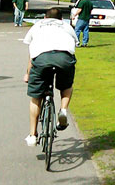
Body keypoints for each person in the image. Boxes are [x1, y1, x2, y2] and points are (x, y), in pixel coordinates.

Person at [23, 8, 79, 146]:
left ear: (44, 17)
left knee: (36, 96)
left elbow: (32, 54)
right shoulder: (67, 26)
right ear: (61, 19)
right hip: (64, 58)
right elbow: (74, 45)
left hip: (42, 59)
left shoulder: (37, 26)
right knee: (66, 86)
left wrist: (28, 74)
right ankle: (63, 110)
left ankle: (32, 134)